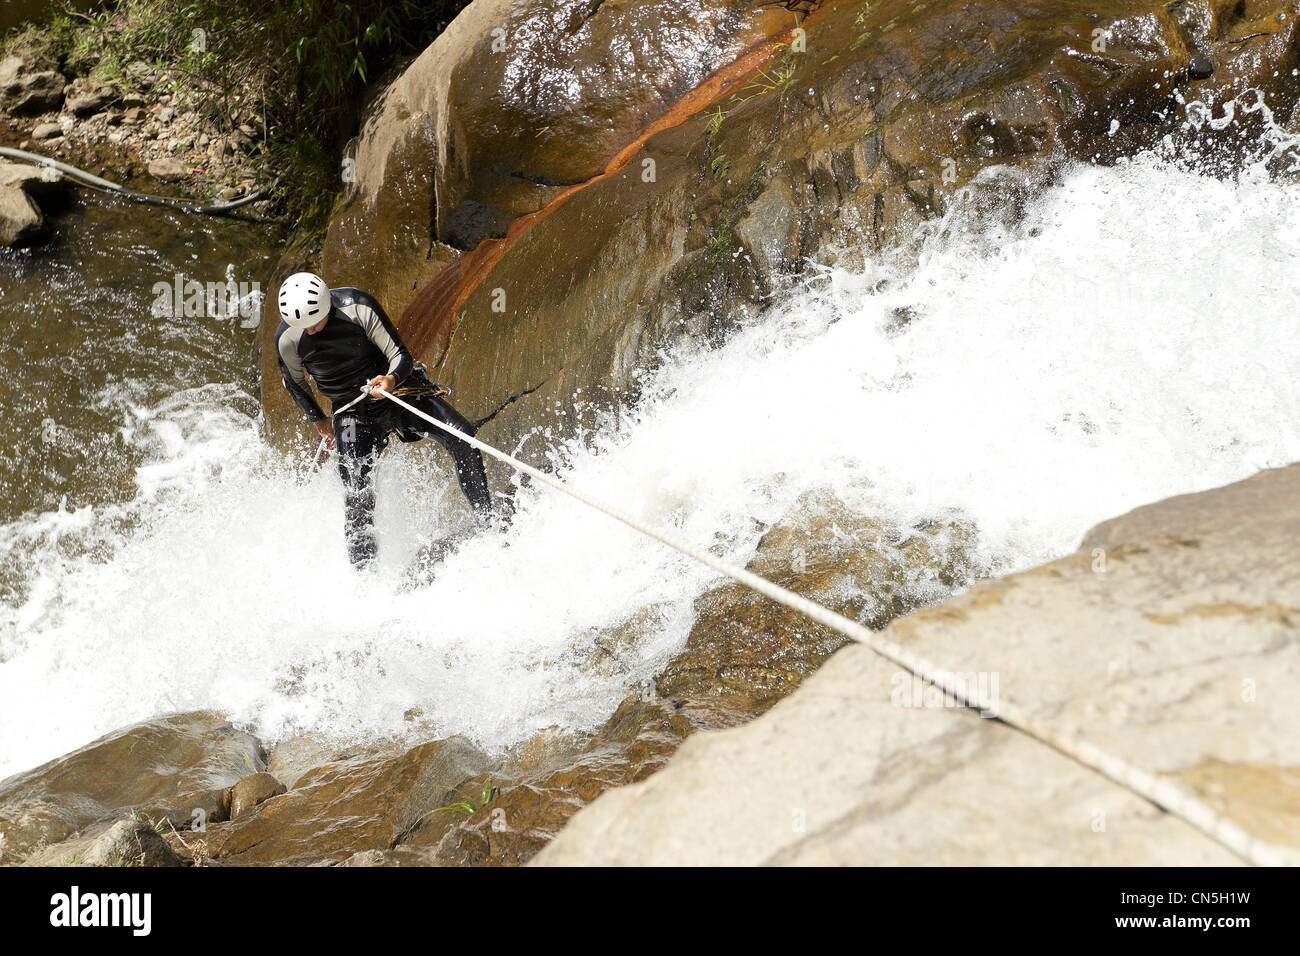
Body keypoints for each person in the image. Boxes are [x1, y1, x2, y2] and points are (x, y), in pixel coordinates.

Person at [275, 272, 498, 567]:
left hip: (398, 394)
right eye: (302, 325)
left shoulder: (358, 306)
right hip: (351, 412)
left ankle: (489, 525)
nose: (311, 331)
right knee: (356, 491)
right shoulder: (287, 338)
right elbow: (295, 384)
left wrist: (391, 380)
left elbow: (399, 355)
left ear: (327, 304)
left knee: (462, 436)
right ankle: (366, 579)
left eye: (314, 322)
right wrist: (319, 420)